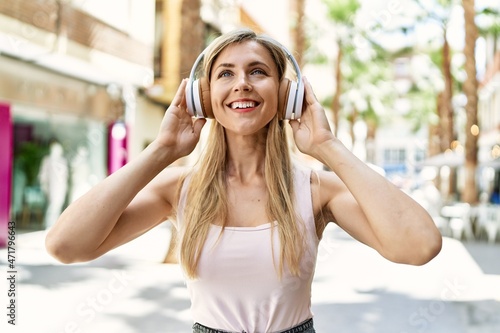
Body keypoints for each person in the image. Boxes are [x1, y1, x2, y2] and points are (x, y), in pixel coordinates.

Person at [45, 28, 442, 333]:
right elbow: (65, 246)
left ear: (287, 93)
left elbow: (419, 246)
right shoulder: (180, 189)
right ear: (205, 95)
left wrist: (327, 145)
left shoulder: (317, 189)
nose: (242, 84)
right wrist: (163, 149)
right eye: (225, 73)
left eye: (258, 71)